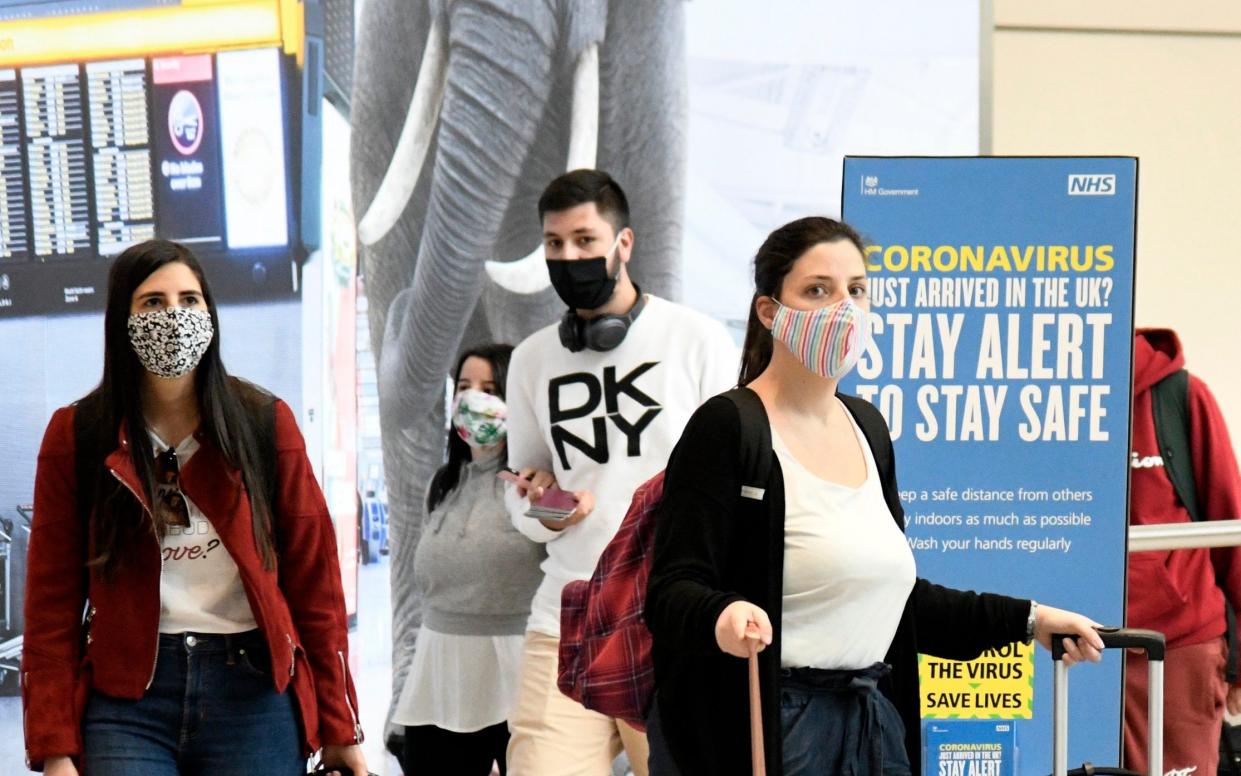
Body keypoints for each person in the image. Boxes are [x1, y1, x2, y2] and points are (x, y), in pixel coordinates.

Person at [643, 217, 1106, 776]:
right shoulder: (728, 426)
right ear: (770, 312)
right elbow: (672, 589)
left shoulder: (867, 427)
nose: (843, 308)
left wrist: (1030, 620)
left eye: (856, 290)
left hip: (872, 724)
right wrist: (724, 614)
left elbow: (895, 598)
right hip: (771, 728)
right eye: (818, 290)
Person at [21, 240, 367, 776]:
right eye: (153, 303)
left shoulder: (264, 423)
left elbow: (316, 587)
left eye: (190, 299)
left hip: (253, 692)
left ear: (211, 313)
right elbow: (50, 605)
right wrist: (53, 746)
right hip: (127, 701)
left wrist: (342, 727)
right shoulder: (78, 434)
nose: (174, 316)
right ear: (122, 319)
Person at [502, 169, 738, 776]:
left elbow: (738, 483)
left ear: (623, 243)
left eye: (584, 240)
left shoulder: (697, 340)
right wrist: (551, 509)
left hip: (672, 617)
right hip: (567, 616)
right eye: (554, 244)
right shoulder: (531, 361)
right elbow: (524, 498)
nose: (568, 256)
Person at [391, 344, 544, 775]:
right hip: (440, 673)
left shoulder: (538, 479)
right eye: (464, 387)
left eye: (491, 388)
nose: (474, 399)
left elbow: (572, 524)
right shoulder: (443, 483)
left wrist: (552, 495)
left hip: (519, 670)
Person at [1124, 328, 1241, 775]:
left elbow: (1229, 524)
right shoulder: (1033, 393)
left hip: (1181, 646)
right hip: (1068, 644)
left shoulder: (1180, 396)